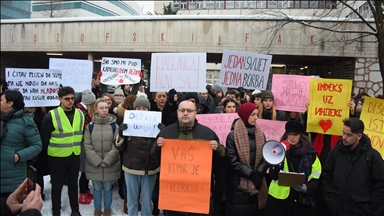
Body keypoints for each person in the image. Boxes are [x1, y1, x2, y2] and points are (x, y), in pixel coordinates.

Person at [155, 100, 226, 215]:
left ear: (195, 113)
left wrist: (218, 148)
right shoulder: (166, 133)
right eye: (182, 110)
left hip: (198, 196)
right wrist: (156, 146)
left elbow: (221, 161)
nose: (185, 113)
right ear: (177, 112)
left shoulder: (208, 134)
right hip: (173, 196)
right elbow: (153, 159)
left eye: (189, 110)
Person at [322, 118, 384, 216]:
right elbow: (326, 176)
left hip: (361, 210)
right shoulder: (335, 152)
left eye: (349, 135)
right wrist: (330, 199)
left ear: (359, 136)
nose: (344, 137)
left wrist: (371, 206)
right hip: (337, 209)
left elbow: (380, 184)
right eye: (343, 133)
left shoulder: (372, 156)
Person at [41, 86, 84, 216]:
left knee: (73, 185)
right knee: (57, 186)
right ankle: (56, 212)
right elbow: (44, 138)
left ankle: (75, 211)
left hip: (74, 155)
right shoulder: (51, 115)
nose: (70, 101)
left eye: (72, 98)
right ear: (60, 99)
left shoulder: (80, 114)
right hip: (56, 157)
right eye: (67, 99)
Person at [116, 95, 161, 216]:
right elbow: (119, 147)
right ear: (134, 109)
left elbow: (161, 148)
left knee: (147, 201)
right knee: (132, 200)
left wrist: (163, 133)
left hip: (149, 168)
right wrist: (121, 134)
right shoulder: (128, 124)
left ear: (149, 110)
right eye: (139, 107)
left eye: (145, 108)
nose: (141, 110)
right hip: (131, 168)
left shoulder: (155, 125)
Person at [264, 121, 321, 216]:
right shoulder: (280, 151)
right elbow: (273, 175)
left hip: (300, 200)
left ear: (301, 136)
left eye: (295, 134)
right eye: (289, 134)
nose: (292, 137)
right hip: (279, 199)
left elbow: (317, 177)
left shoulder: (311, 154)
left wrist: (307, 188)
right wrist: (279, 159)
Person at [225, 102, 269, 216]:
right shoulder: (232, 135)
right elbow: (232, 161)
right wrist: (251, 175)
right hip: (239, 185)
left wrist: (259, 173)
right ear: (245, 115)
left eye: (256, 114)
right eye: (253, 115)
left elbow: (266, 156)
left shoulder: (260, 133)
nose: (256, 118)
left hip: (258, 184)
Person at [1, 90, 42, 197]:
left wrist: (18, 156)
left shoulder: (25, 121)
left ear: (10, 103)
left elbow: (37, 146)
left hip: (13, 181)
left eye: (1, 100)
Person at [84, 98, 120, 216]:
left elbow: (117, 145)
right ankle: (97, 209)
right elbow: (87, 146)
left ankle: (108, 208)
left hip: (110, 164)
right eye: (101, 108)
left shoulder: (115, 126)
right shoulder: (90, 126)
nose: (104, 110)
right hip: (95, 165)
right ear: (96, 109)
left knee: (108, 188)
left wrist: (107, 160)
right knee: (97, 188)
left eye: (106, 108)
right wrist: (98, 161)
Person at [76, 89, 96, 204]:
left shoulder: (80, 110)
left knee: (86, 170)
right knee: (84, 171)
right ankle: (83, 195)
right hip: (83, 144)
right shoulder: (81, 113)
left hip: (84, 143)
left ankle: (86, 190)